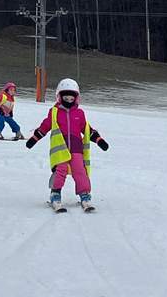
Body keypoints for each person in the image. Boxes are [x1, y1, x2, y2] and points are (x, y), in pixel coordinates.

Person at [26, 78, 109, 211]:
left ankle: (84, 194)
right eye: (66, 98)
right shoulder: (54, 112)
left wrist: (99, 140)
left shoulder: (79, 113)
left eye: (71, 99)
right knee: (61, 171)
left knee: (80, 171)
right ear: (60, 97)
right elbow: (44, 127)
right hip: (61, 150)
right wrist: (34, 138)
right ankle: (55, 194)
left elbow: (87, 129)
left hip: (76, 149)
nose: (69, 101)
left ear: (76, 99)